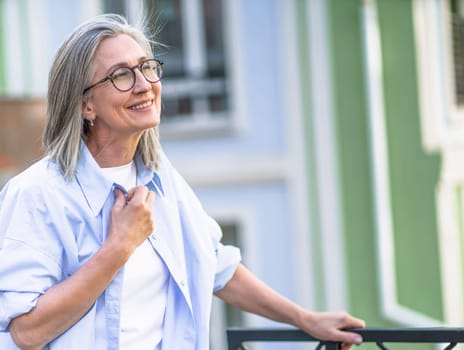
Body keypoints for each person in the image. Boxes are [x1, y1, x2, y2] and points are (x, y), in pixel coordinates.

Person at [0, 13, 365, 350]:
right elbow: (27, 330)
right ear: (86, 105)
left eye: (147, 68)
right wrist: (118, 248)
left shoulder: (161, 180)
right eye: (122, 75)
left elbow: (218, 266)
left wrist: (305, 319)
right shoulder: (37, 195)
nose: (144, 85)